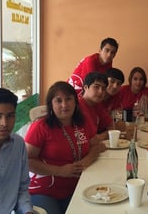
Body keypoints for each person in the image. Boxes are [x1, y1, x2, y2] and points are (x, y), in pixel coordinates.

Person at [25, 81, 106, 214]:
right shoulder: (40, 127)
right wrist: (59, 171)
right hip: (45, 191)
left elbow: (96, 146)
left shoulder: (82, 122)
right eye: (58, 100)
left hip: (79, 186)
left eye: (68, 99)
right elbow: (27, 161)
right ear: (51, 104)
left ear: (75, 101)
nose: (64, 105)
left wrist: (85, 161)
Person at [78, 72, 114, 141]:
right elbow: (85, 139)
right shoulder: (77, 106)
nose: (101, 92)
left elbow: (111, 126)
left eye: (103, 89)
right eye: (96, 87)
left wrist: (99, 137)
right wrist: (103, 136)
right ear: (85, 87)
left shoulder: (97, 105)